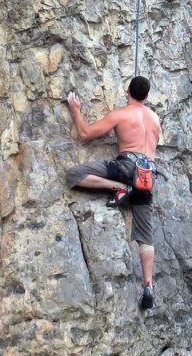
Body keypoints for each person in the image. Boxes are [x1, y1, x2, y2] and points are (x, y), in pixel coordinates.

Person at [66, 76, 162, 309]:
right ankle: (147, 286)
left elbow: (86, 134)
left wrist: (75, 110)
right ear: (147, 96)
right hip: (147, 176)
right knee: (145, 237)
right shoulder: (155, 119)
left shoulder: (120, 114)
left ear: (127, 91)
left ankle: (118, 187)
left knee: (74, 175)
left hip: (126, 169)